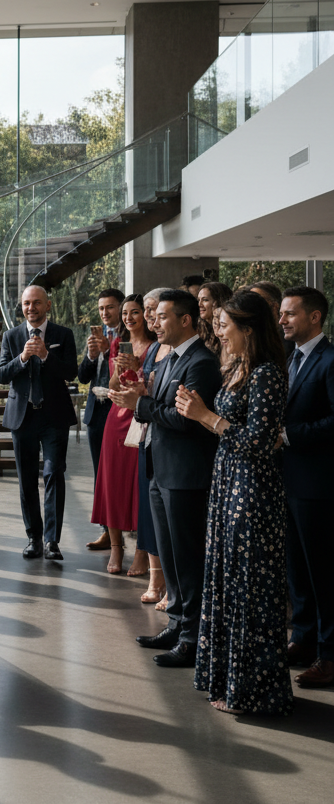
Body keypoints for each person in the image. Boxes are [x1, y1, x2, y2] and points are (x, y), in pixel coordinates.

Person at [176, 291, 293, 715]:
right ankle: (227, 679)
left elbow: (261, 443)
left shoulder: (266, 374)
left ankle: (254, 689)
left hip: (252, 493)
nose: (219, 332)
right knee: (227, 582)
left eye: (225, 325)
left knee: (249, 588)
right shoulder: (239, 369)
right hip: (229, 484)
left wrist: (206, 416)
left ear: (248, 329)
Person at [112, 289, 222, 668]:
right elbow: (163, 408)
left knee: (188, 559)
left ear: (186, 319)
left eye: (162, 316)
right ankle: (176, 623)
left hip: (185, 473)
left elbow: (186, 419)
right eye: (153, 315)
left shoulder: (201, 363)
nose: (154, 322)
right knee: (171, 556)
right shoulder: (170, 357)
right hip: (160, 467)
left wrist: (140, 405)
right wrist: (143, 394)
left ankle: (193, 637)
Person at [0, 285, 78, 561]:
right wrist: (23, 358)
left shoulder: (63, 335)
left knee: (54, 473)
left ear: (48, 305)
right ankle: (34, 538)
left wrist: (45, 355)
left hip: (54, 417)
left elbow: (71, 372)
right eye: (27, 304)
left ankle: (52, 541)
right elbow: (1, 375)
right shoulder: (11, 336)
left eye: (37, 303)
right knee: (27, 480)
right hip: (23, 417)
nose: (31, 308)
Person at [279, 286, 334, 687]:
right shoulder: (288, 358)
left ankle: (330, 656)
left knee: (324, 573)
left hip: (319, 484)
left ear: (314, 317)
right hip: (288, 479)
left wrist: (290, 434)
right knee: (297, 568)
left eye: (290, 314)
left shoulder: (331, 361)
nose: (282, 320)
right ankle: (303, 638)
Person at [91, 294, 156, 575]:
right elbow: (114, 385)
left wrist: (136, 368)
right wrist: (120, 368)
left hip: (141, 418)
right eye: (126, 313)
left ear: (146, 316)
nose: (129, 318)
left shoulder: (156, 347)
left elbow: (152, 387)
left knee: (138, 485)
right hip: (115, 418)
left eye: (135, 312)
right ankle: (116, 548)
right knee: (113, 483)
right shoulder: (118, 343)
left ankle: (142, 552)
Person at [77, 288, 124, 551]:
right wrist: (92, 355)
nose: (105, 313)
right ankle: (106, 531)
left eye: (110, 307)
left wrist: (109, 353)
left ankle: (127, 530)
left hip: (119, 412)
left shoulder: (127, 337)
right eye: (101, 309)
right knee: (100, 474)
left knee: (121, 473)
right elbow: (83, 377)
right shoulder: (94, 338)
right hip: (96, 412)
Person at [136, 290, 170, 607]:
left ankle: (169, 584)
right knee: (149, 510)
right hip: (147, 436)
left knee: (167, 515)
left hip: (168, 440)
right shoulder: (154, 349)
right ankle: (154, 576)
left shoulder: (179, 352)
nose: (149, 318)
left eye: (154, 311)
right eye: (147, 311)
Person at [197, 281, 233, 356]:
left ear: (218, 302)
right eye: (198, 300)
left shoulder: (230, 328)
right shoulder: (200, 327)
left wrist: (216, 316)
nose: (199, 304)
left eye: (205, 300)